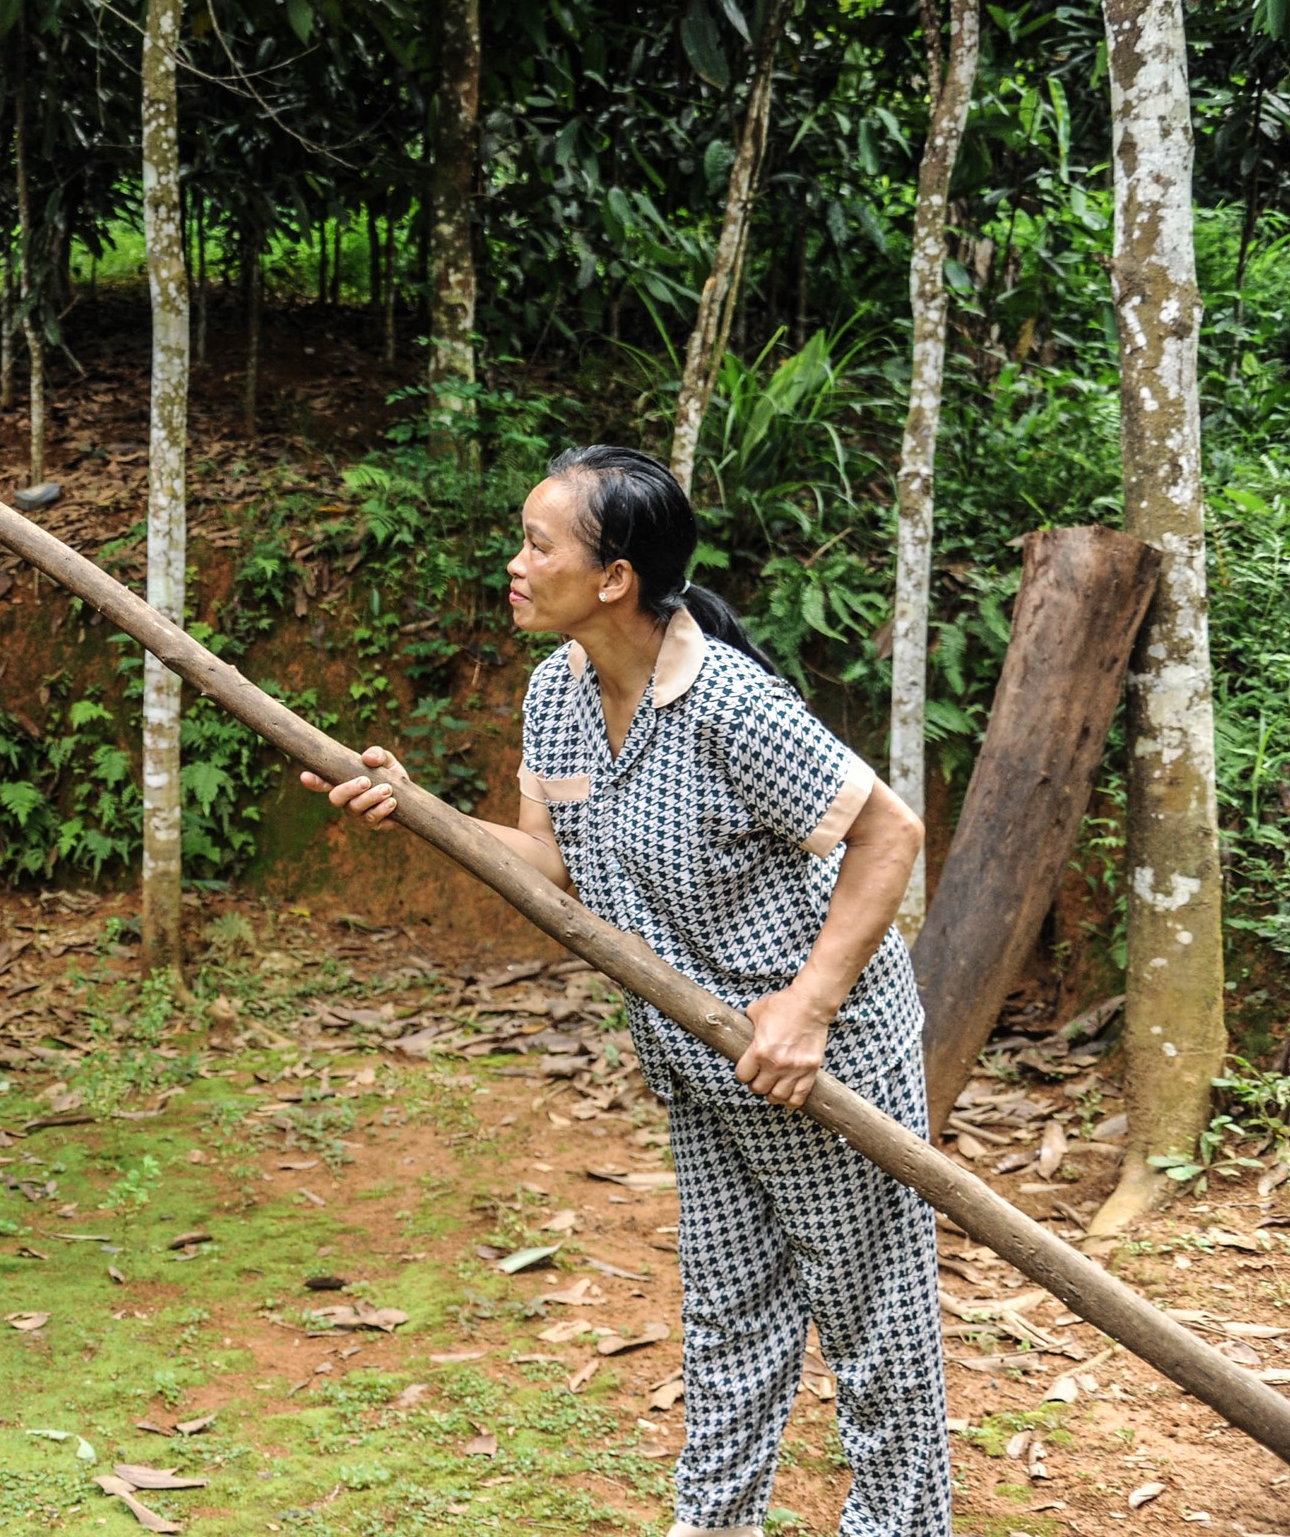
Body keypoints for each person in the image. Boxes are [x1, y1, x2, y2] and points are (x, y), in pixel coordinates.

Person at [302, 444, 948, 1537]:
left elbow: (892, 831)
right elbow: (547, 867)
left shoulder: (729, 702)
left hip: (818, 1066)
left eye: (537, 542)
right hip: (699, 1062)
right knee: (729, 1317)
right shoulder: (557, 689)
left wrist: (809, 1006)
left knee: (872, 1328)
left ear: (613, 578)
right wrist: (414, 807)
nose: (514, 562)